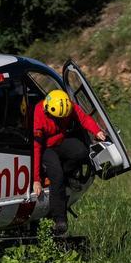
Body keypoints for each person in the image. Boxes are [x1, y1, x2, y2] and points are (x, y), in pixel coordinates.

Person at [31, 89, 107, 235]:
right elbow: (36, 147)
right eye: (56, 118)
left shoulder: (67, 105)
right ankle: (60, 219)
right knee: (57, 177)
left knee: (82, 152)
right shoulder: (39, 113)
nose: (58, 121)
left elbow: (84, 118)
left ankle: (65, 174)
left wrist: (97, 131)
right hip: (47, 148)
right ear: (48, 110)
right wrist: (36, 179)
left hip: (60, 141)